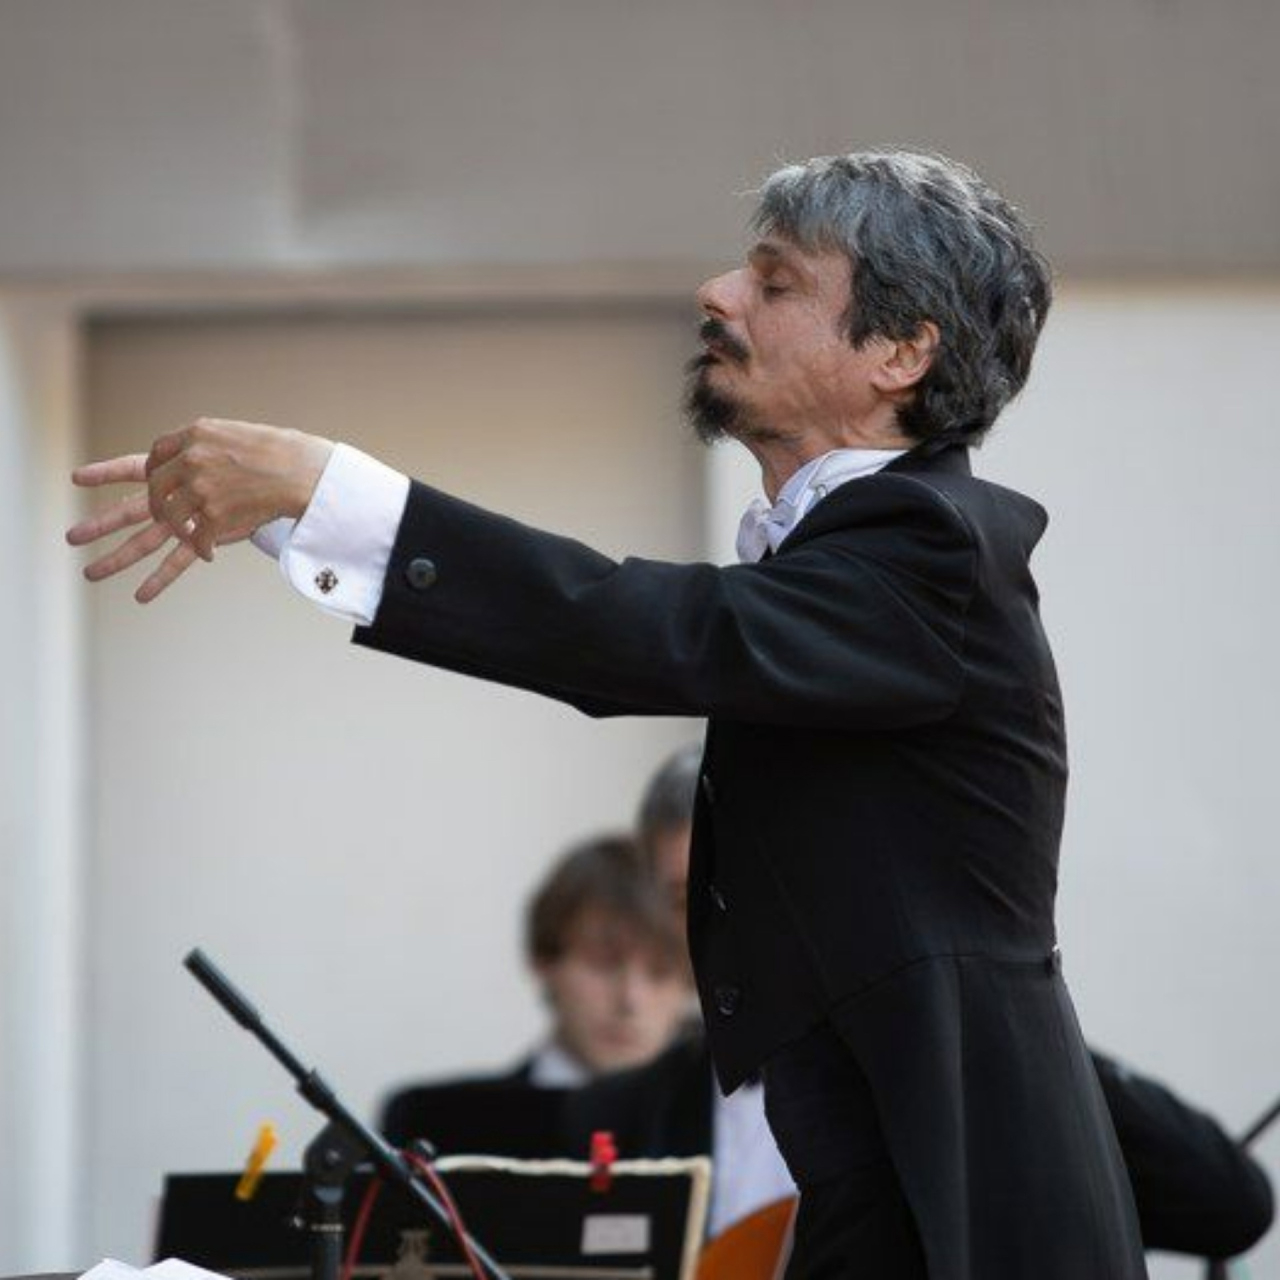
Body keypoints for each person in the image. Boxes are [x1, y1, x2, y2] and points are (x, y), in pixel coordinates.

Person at [69, 150, 1144, 1278]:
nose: (717, 293)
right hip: (896, 1183)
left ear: (899, 352)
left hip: (964, 1208)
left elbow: (653, 631)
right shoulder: (872, 559)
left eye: (775, 282)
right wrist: (300, 517)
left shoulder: (934, 548)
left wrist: (328, 491)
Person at [563, 745, 1274, 1261]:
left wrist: (1024, 1041)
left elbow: (1227, 1202)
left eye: (753, 890)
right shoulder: (618, 1113)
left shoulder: (970, 1061)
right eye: (693, 901)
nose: (733, 927)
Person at [380, 832, 691, 1152]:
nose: (630, 1000)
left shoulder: (710, 1136)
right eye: (603, 963)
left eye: (661, 972)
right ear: (543, 960)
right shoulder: (437, 1124)